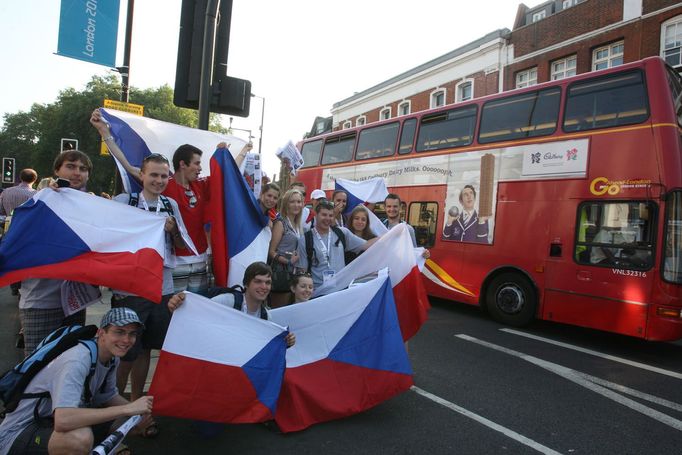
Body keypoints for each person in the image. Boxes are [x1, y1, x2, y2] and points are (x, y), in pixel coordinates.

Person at [0, 307, 153, 455]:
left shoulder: (111, 357)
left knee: (132, 423)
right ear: (101, 333)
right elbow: (63, 420)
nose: (126, 340)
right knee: (79, 440)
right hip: (19, 431)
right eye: (119, 332)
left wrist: (137, 413)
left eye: (132, 334)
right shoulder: (77, 360)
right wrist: (127, 409)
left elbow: (107, 396)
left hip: (48, 423)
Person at [110, 153, 187, 437]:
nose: (158, 180)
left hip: (161, 287)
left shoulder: (171, 205)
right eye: (153, 175)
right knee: (125, 353)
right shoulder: (124, 201)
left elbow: (179, 245)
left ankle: (139, 409)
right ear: (141, 175)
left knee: (145, 350)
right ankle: (112, 413)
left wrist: (173, 229)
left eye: (164, 175)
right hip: (129, 290)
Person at [19, 151, 93, 356]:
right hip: (41, 302)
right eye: (70, 166)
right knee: (35, 369)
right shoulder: (39, 202)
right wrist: (46, 191)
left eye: (83, 169)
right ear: (57, 170)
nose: (77, 172)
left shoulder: (90, 206)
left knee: (68, 366)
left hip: (75, 302)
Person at [168, 262, 296, 347]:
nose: (264, 287)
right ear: (246, 284)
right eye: (258, 281)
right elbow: (197, 313)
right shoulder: (228, 301)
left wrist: (285, 342)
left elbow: (264, 346)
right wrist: (178, 305)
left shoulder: (266, 316)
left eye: (267, 283)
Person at [296, 200, 377, 289]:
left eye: (330, 215)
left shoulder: (342, 233)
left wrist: (392, 234)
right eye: (324, 215)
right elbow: (302, 271)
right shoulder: (305, 239)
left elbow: (366, 245)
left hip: (340, 290)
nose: (327, 218)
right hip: (317, 292)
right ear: (316, 215)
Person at [268, 188, 303, 308]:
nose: (296, 205)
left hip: (293, 273)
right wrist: (287, 260)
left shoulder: (298, 224)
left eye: (299, 202)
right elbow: (271, 251)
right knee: (279, 309)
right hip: (280, 273)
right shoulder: (280, 223)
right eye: (292, 202)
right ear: (286, 203)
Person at [383, 194, 431, 258]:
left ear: (400, 207)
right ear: (385, 207)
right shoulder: (380, 226)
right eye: (389, 206)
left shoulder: (408, 229)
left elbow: (413, 252)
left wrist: (424, 255)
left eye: (395, 206)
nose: (392, 209)